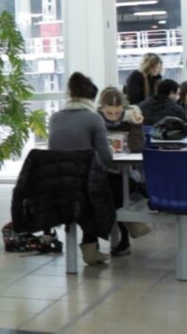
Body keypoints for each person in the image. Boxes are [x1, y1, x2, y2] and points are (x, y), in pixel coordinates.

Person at [49, 73, 114, 265]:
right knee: (113, 185)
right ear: (92, 99)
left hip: (57, 183)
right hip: (84, 187)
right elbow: (106, 158)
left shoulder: (55, 118)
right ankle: (127, 226)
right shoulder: (93, 119)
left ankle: (93, 246)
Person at [96, 87, 151, 256]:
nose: (113, 116)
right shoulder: (95, 120)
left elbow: (137, 148)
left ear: (123, 108)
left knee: (116, 186)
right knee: (108, 186)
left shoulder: (131, 117)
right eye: (109, 113)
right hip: (103, 169)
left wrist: (136, 127)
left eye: (117, 112)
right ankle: (129, 227)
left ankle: (124, 236)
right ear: (102, 108)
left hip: (127, 171)